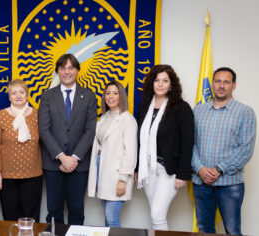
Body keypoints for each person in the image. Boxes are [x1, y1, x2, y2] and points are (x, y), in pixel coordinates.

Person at [192, 67, 256, 235]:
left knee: (232, 231)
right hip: (201, 182)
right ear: (212, 83)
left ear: (233, 85)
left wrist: (219, 169)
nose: (221, 85)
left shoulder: (245, 112)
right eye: (218, 81)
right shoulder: (198, 110)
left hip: (230, 184)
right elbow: (191, 144)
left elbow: (245, 149)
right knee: (204, 230)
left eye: (226, 82)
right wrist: (200, 168)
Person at [38, 54, 97, 225]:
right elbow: (44, 130)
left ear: (78, 70)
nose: (67, 72)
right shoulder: (47, 96)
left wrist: (74, 158)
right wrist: (62, 157)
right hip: (54, 164)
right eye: (63, 68)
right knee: (54, 211)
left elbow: (90, 130)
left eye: (71, 68)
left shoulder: (89, 96)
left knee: (77, 210)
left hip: (79, 165)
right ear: (57, 71)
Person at [135, 64, 194, 230]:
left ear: (171, 85)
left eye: (165, 81)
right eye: (157, 80)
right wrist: (138, 169)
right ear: (151, 84)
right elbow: (140, 140)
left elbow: (187, 143)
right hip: (148, 169)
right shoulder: (144, 107)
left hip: (169, 170)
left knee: (157, 214)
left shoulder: (181, 108)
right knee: (155, 214)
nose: (160, 84)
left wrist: (183, 174)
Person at [0, 79, 43, 222]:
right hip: (7, 176)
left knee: (31, 218)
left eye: (21, 92)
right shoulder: (1, 115)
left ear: (27, 94)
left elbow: (45, 141)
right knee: (10, 217)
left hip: (32, 174)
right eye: (14, 93)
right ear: (9, 97)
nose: (18, 96)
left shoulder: (37, 114)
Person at [87, 81, 138, 227]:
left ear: (121, 96)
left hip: (117, 176)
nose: (111, 96)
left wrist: (123, 179)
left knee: (112, 216)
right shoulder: (104, 118)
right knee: (107, 218)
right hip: (102, 172)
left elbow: (131, 152)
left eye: (115, 93)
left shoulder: (128, 120)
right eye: (108, 93)